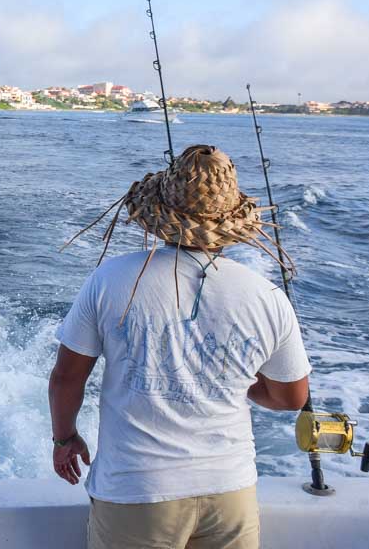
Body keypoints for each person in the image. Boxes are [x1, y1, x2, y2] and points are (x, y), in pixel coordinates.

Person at [49, 145, 311, 549]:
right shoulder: (267, 296)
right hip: (229, 491)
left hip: (136, 489)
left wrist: (65, 439)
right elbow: (292, 397)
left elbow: (67, 377)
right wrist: (235, 381)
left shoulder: (110, 280)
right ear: (231, 223)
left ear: (159, 216)